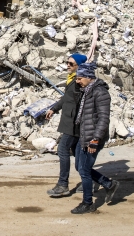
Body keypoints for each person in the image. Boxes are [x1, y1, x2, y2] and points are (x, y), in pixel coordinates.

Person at [71, 62, 120, 214]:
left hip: (92, 138)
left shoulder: (100, 93)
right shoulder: (87, 91)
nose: (77, 81)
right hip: (84, 135)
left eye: (79, 78)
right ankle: (108, 184)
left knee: (84, 171)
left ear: (88, 77)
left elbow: (103, 119)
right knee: (79, 166)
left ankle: (88, 203)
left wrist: (96, 139)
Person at [44, 53, 87, 198]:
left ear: (79, 66)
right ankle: (89, 180)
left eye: (71, 64)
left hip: (73, 122)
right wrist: (54, 108)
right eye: (67, 63)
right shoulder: (72, 80)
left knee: (63, 149)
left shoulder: (80, 81)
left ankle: (63, 184)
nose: (67, 66)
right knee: (76, 152)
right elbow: (66, 98)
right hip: (69, 120)